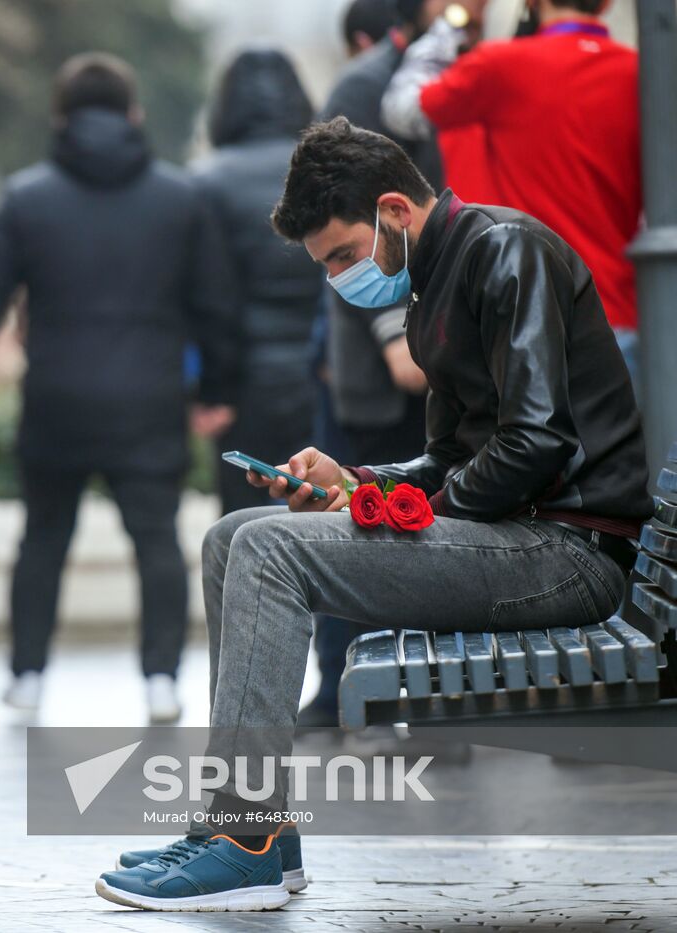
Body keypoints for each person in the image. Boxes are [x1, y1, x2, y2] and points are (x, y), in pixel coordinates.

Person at [94, 117, 649, 912]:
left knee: (269, 553)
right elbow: (450, 458)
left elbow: (535, 442)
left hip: (565, 551)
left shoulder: (504, 251)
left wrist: (409, 511)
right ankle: (258, 827)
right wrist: (357, 481)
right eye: (327, 268)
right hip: (514, 536)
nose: (341, 279)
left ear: (394, 209)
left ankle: (240, 834)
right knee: (233, 538)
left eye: (344, 255)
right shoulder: (436, 282)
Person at [0, 53, 239, 724]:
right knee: (156, 540)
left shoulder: (25, 198)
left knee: (43, 538)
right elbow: (215, 305)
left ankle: (27, 675)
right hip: (149, 396)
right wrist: (217, 388)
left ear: (59, 117)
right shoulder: (178, 198)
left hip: (57, 397)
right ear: (134, 114)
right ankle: (161, 678)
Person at [301, 0, 455, 725]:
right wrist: (397, 330)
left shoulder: (447, 73)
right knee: (352, 526)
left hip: (427, 357)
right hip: (393, 360)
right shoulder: (373, 91)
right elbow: (357, 231)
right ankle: (340, 687)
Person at [381, 0, 642, 388]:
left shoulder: (500, 66)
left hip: (535, 324)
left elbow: (403, 110)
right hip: (620, 318)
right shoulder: (641, 73)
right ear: (606, 4)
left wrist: (448, 28)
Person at [195, 49, 323, 515]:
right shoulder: (325, 169)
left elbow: (210, 300)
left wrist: (213, 392)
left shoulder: (208, 181)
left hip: (247, 382)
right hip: (323, 373)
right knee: (329, 518)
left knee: (245, 518)